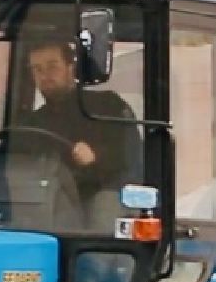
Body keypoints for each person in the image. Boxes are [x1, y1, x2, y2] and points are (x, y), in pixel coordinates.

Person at [9, 40, 141, 210]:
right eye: (37, 69)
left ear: (71, 67)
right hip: (46, 203)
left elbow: (130, 159)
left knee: (106, 205)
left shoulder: (108, 106)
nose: (44, 75)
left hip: (96, 202)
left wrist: (96, 157)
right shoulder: (31, 123)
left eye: (52, 66)